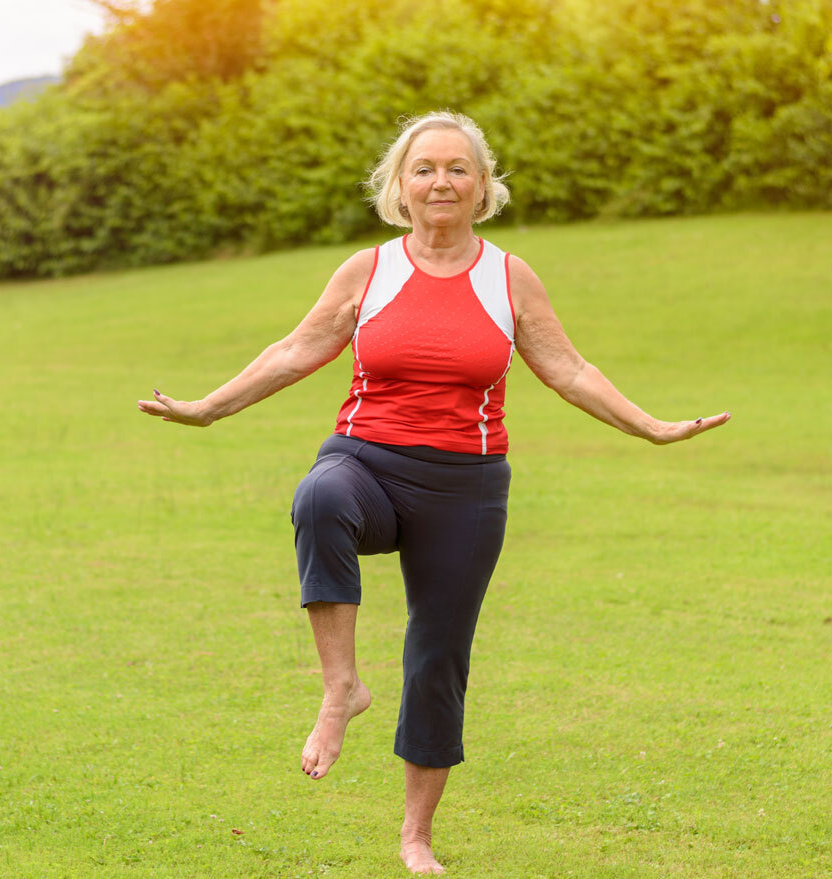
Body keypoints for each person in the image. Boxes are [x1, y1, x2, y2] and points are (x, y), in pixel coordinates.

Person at [137, 110, 730, 875]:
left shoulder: (508, 277)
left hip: (465, 486)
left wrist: (650, 426)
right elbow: (294, 351)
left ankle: (415, 834)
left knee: (436, 657)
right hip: (367, 461)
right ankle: (341, 687)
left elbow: (570, 369)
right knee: (320, 497)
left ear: (483, 186)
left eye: (457, 168)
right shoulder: (369, 271)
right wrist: (207, 407)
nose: (440, 181)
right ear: (400, 186)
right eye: (424, 168)